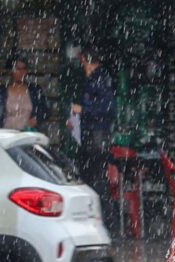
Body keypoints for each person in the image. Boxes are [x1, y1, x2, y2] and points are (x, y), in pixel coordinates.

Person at [72, 47, 118, 237]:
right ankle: (102, 223)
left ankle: (105, 223)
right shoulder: (97, 78)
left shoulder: (99, 78)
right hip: (93, 134)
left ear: (84, 59)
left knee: (96, 178)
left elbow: (108, 107)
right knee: (94, 178)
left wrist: (84, 110)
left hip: (97, 135)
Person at [0, 57, 49, 130]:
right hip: (6, 134)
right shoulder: (0, 92)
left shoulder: (35, 90)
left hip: (28, 134)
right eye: (17, 69)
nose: (21, 72)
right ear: (10, 71)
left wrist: (36, 119)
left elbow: (45, 111)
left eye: (23, 69)